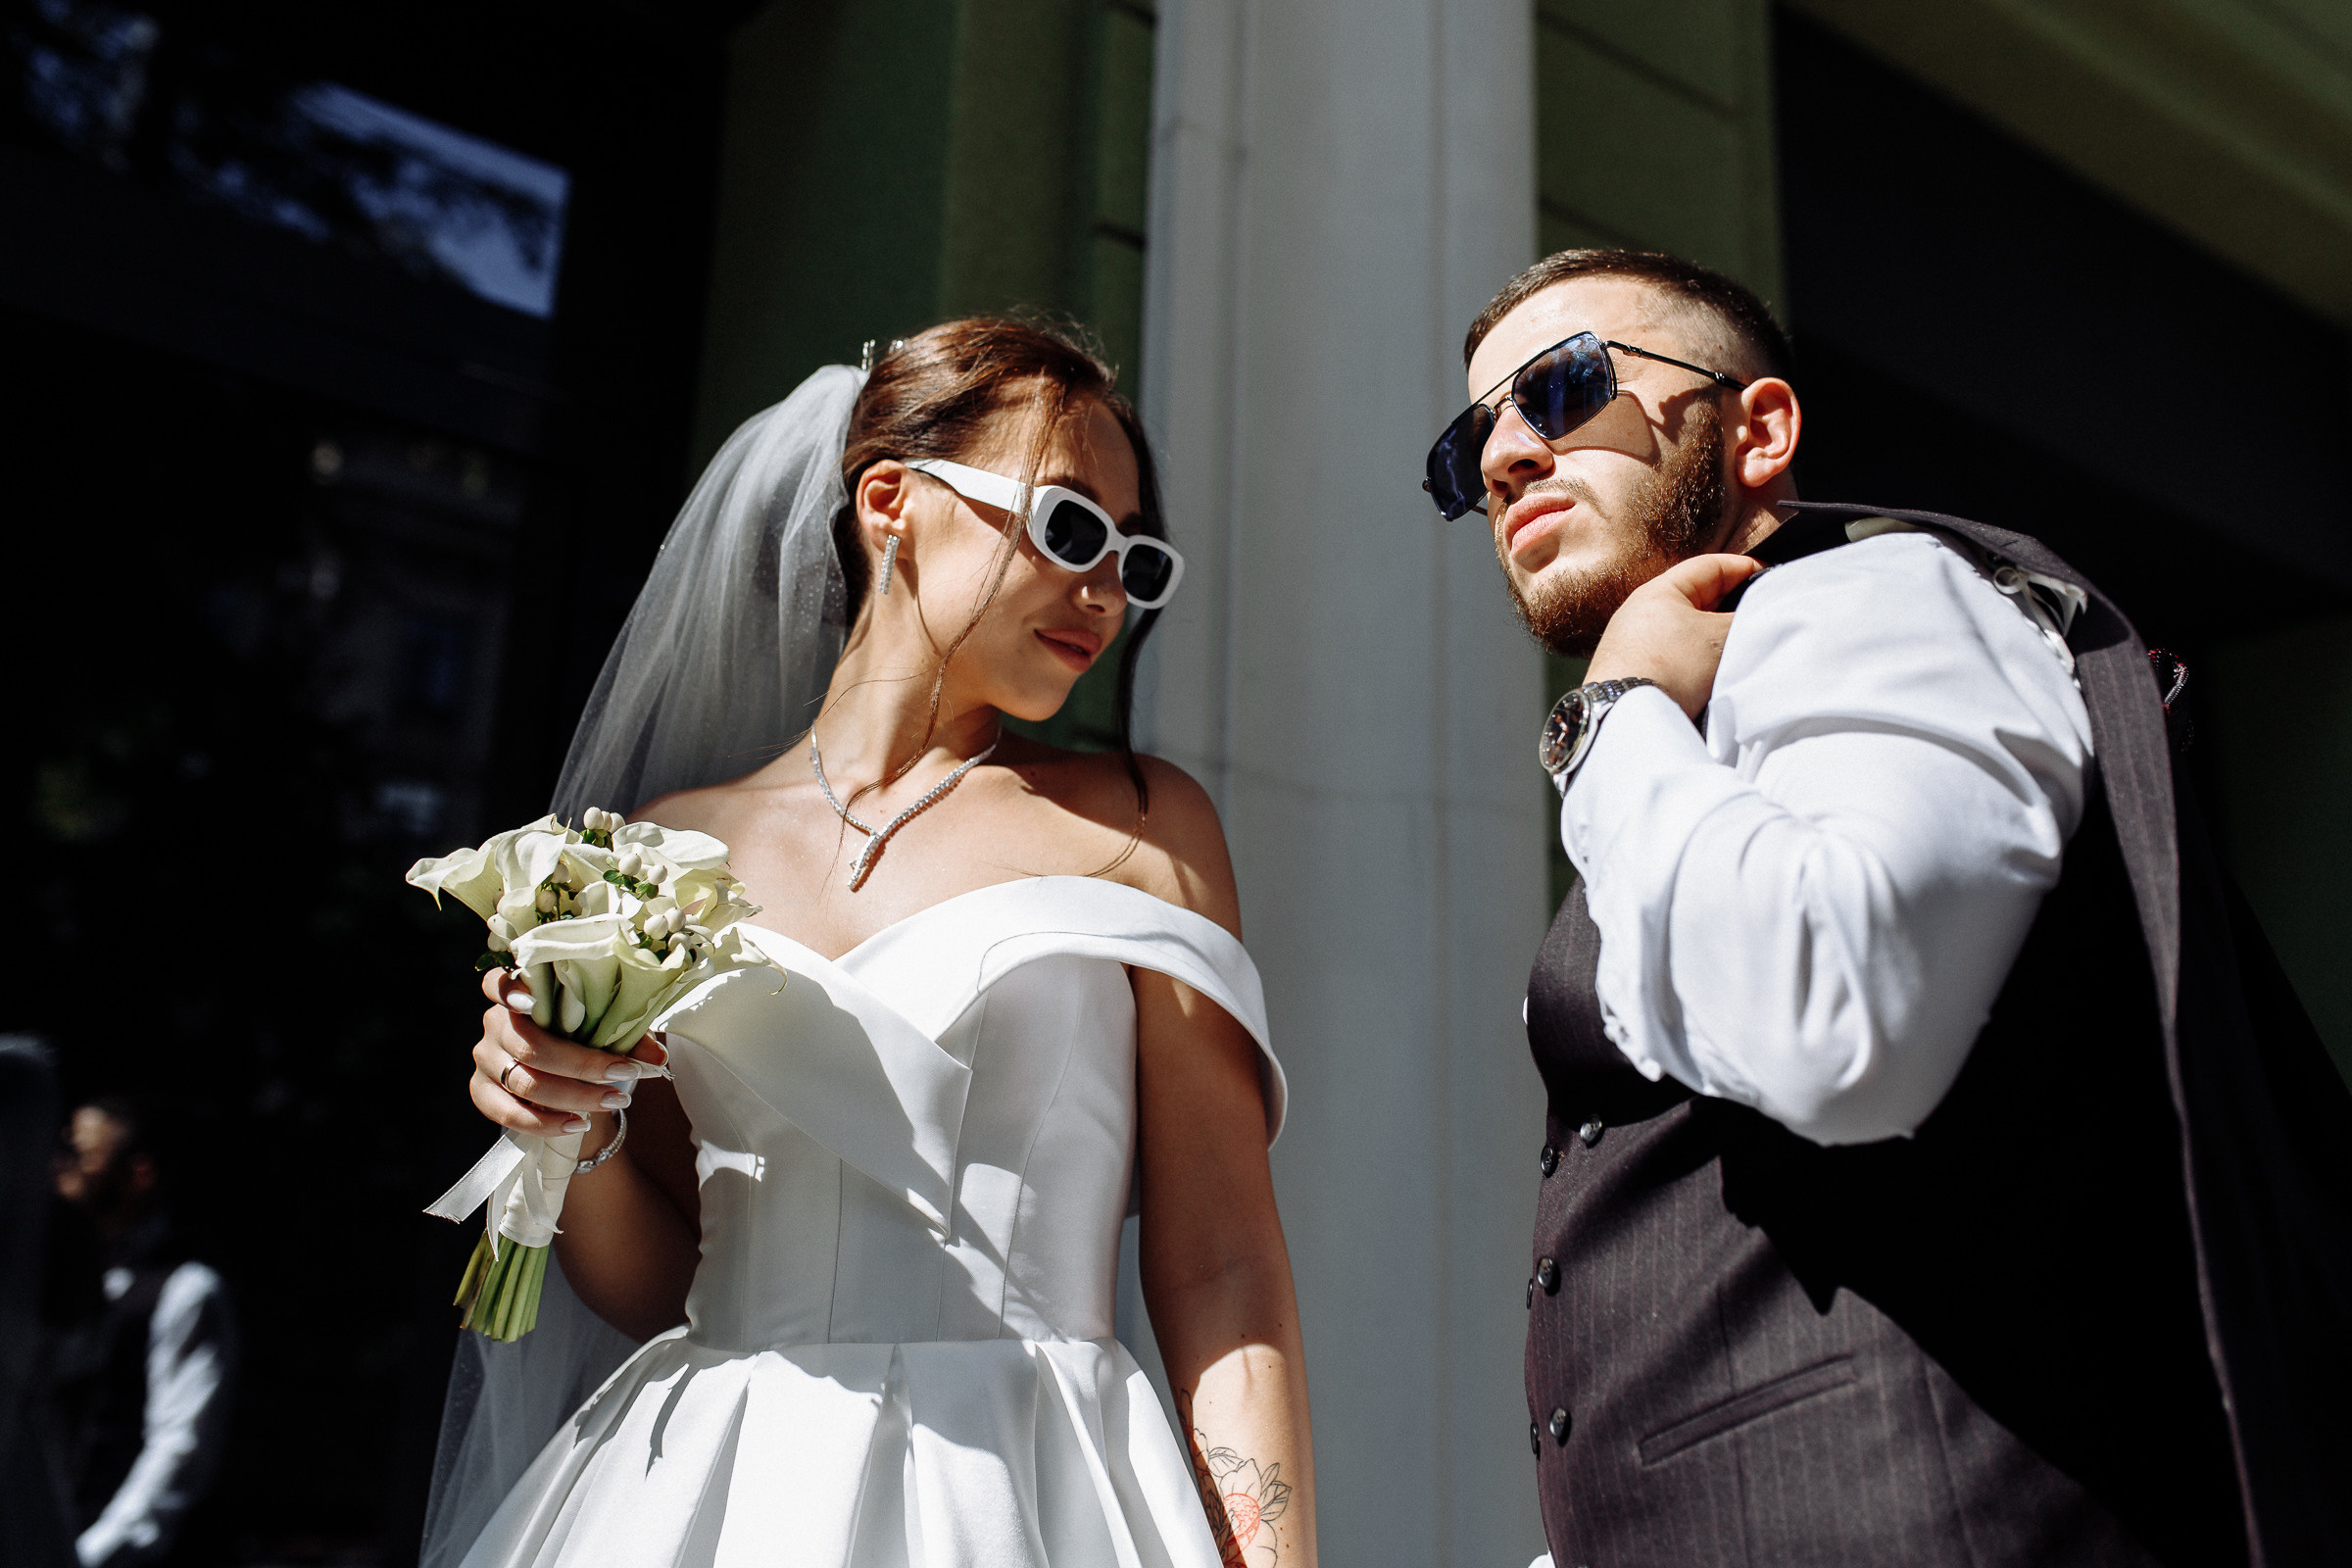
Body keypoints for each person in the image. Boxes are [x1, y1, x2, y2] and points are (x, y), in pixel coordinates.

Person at [1424, 249, 2352, 1566]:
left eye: (1565, 390)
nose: (1512, 453)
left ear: (1758, 429)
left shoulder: (1873, 596)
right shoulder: (1705, 736)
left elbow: (1834, 1013)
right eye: (1476, 446)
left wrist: (1609, 722)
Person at [421, 320, 1317, 1568]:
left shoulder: (1143, 827)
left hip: (1026, 1486)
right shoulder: (670, 854)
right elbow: (660, 1281)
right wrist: (565, 1133)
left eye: (1135, 555)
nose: (1106, 588)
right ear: (891, 500)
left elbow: (1222, 1261)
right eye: (1069, 528)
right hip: (711, 1491)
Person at [46, 1098, 238, 1568]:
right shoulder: (46, 1283)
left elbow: (178, 1449)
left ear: (139, 1173)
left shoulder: (185, 1290)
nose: (62, 1169)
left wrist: (91, 1554)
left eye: (83, 1156)